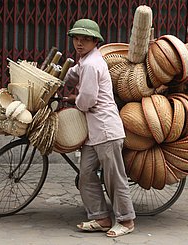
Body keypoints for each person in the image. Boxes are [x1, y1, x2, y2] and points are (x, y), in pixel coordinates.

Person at [63, 18, 135, 238]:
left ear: (95, 41)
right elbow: (75, 71)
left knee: (114, 177)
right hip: (92, 133)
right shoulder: (86, 60)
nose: (80, 43)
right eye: (77, 38)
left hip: (106, 130)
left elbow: (87, 100)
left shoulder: (93, 64)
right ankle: (101, 217)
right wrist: (64, 77)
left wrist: (73, 99)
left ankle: (126, 220)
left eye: (85, 39)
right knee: (85, 174)